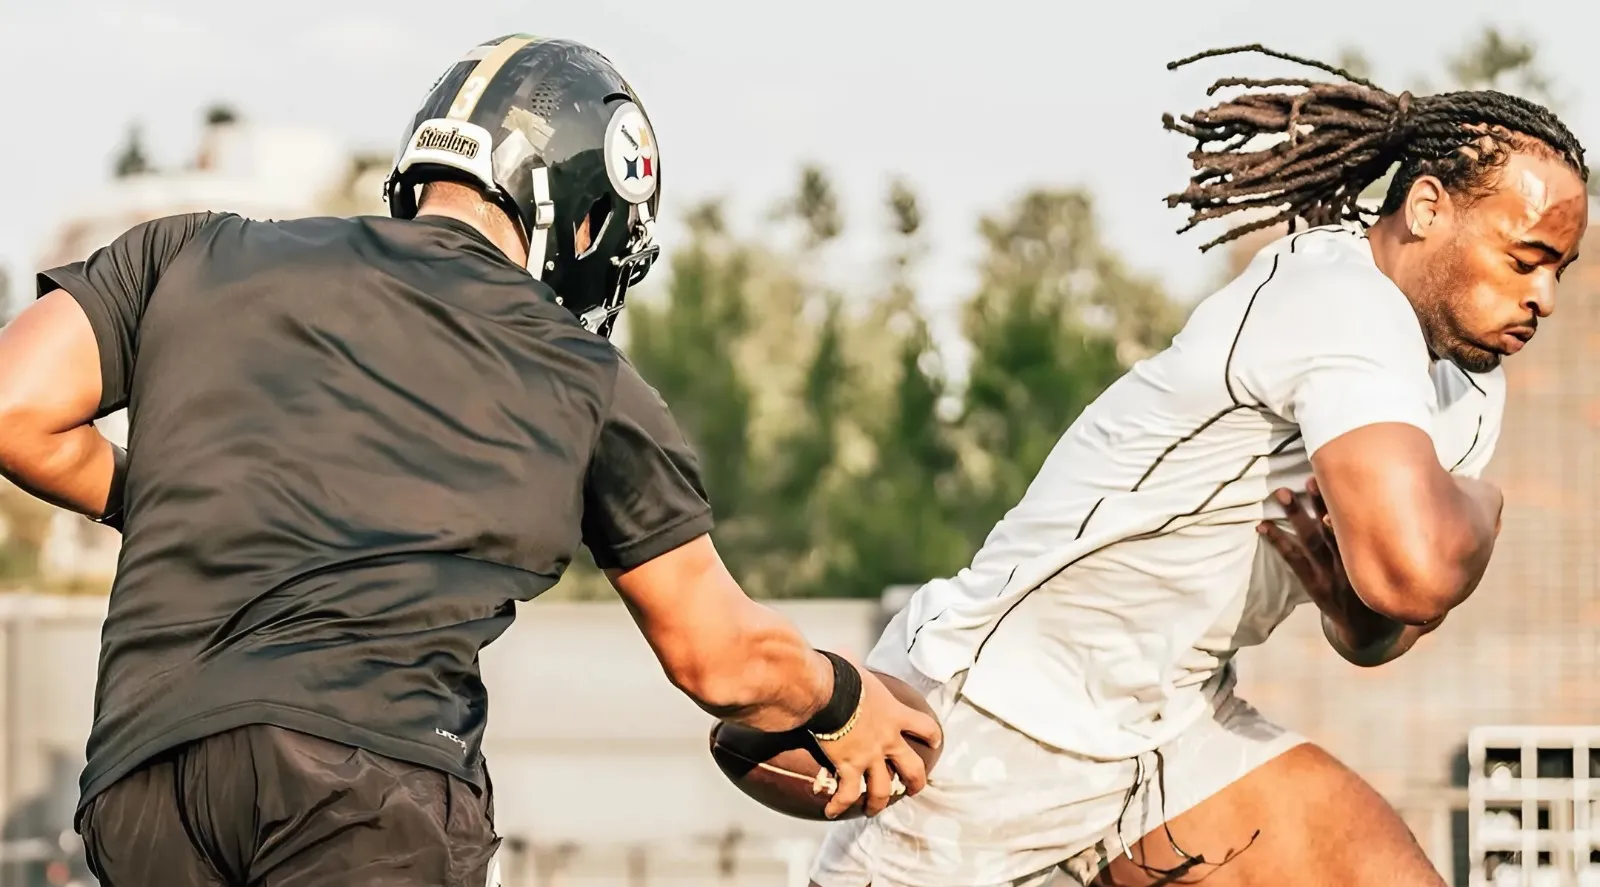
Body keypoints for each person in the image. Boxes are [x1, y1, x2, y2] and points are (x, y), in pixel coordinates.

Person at [0, 33, 938, 887]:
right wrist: (838, 695)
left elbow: (16, 409)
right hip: (365, 782)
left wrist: (186, 499)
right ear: (587, 218)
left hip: (142, 778)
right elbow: (716, 655)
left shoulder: (198, 249)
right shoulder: (582, 373)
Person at [809, 44, 1588, 887]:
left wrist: (1359, 617)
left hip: (1170, 725)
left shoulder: (1469, 387)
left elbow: (1383, 620)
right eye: (1524, 259)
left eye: (1560, 270)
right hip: (1003, 719)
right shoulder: (1340, 297)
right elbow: (1418, 567)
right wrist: (1486, 509)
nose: (1544, 297)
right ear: (1429, 207)